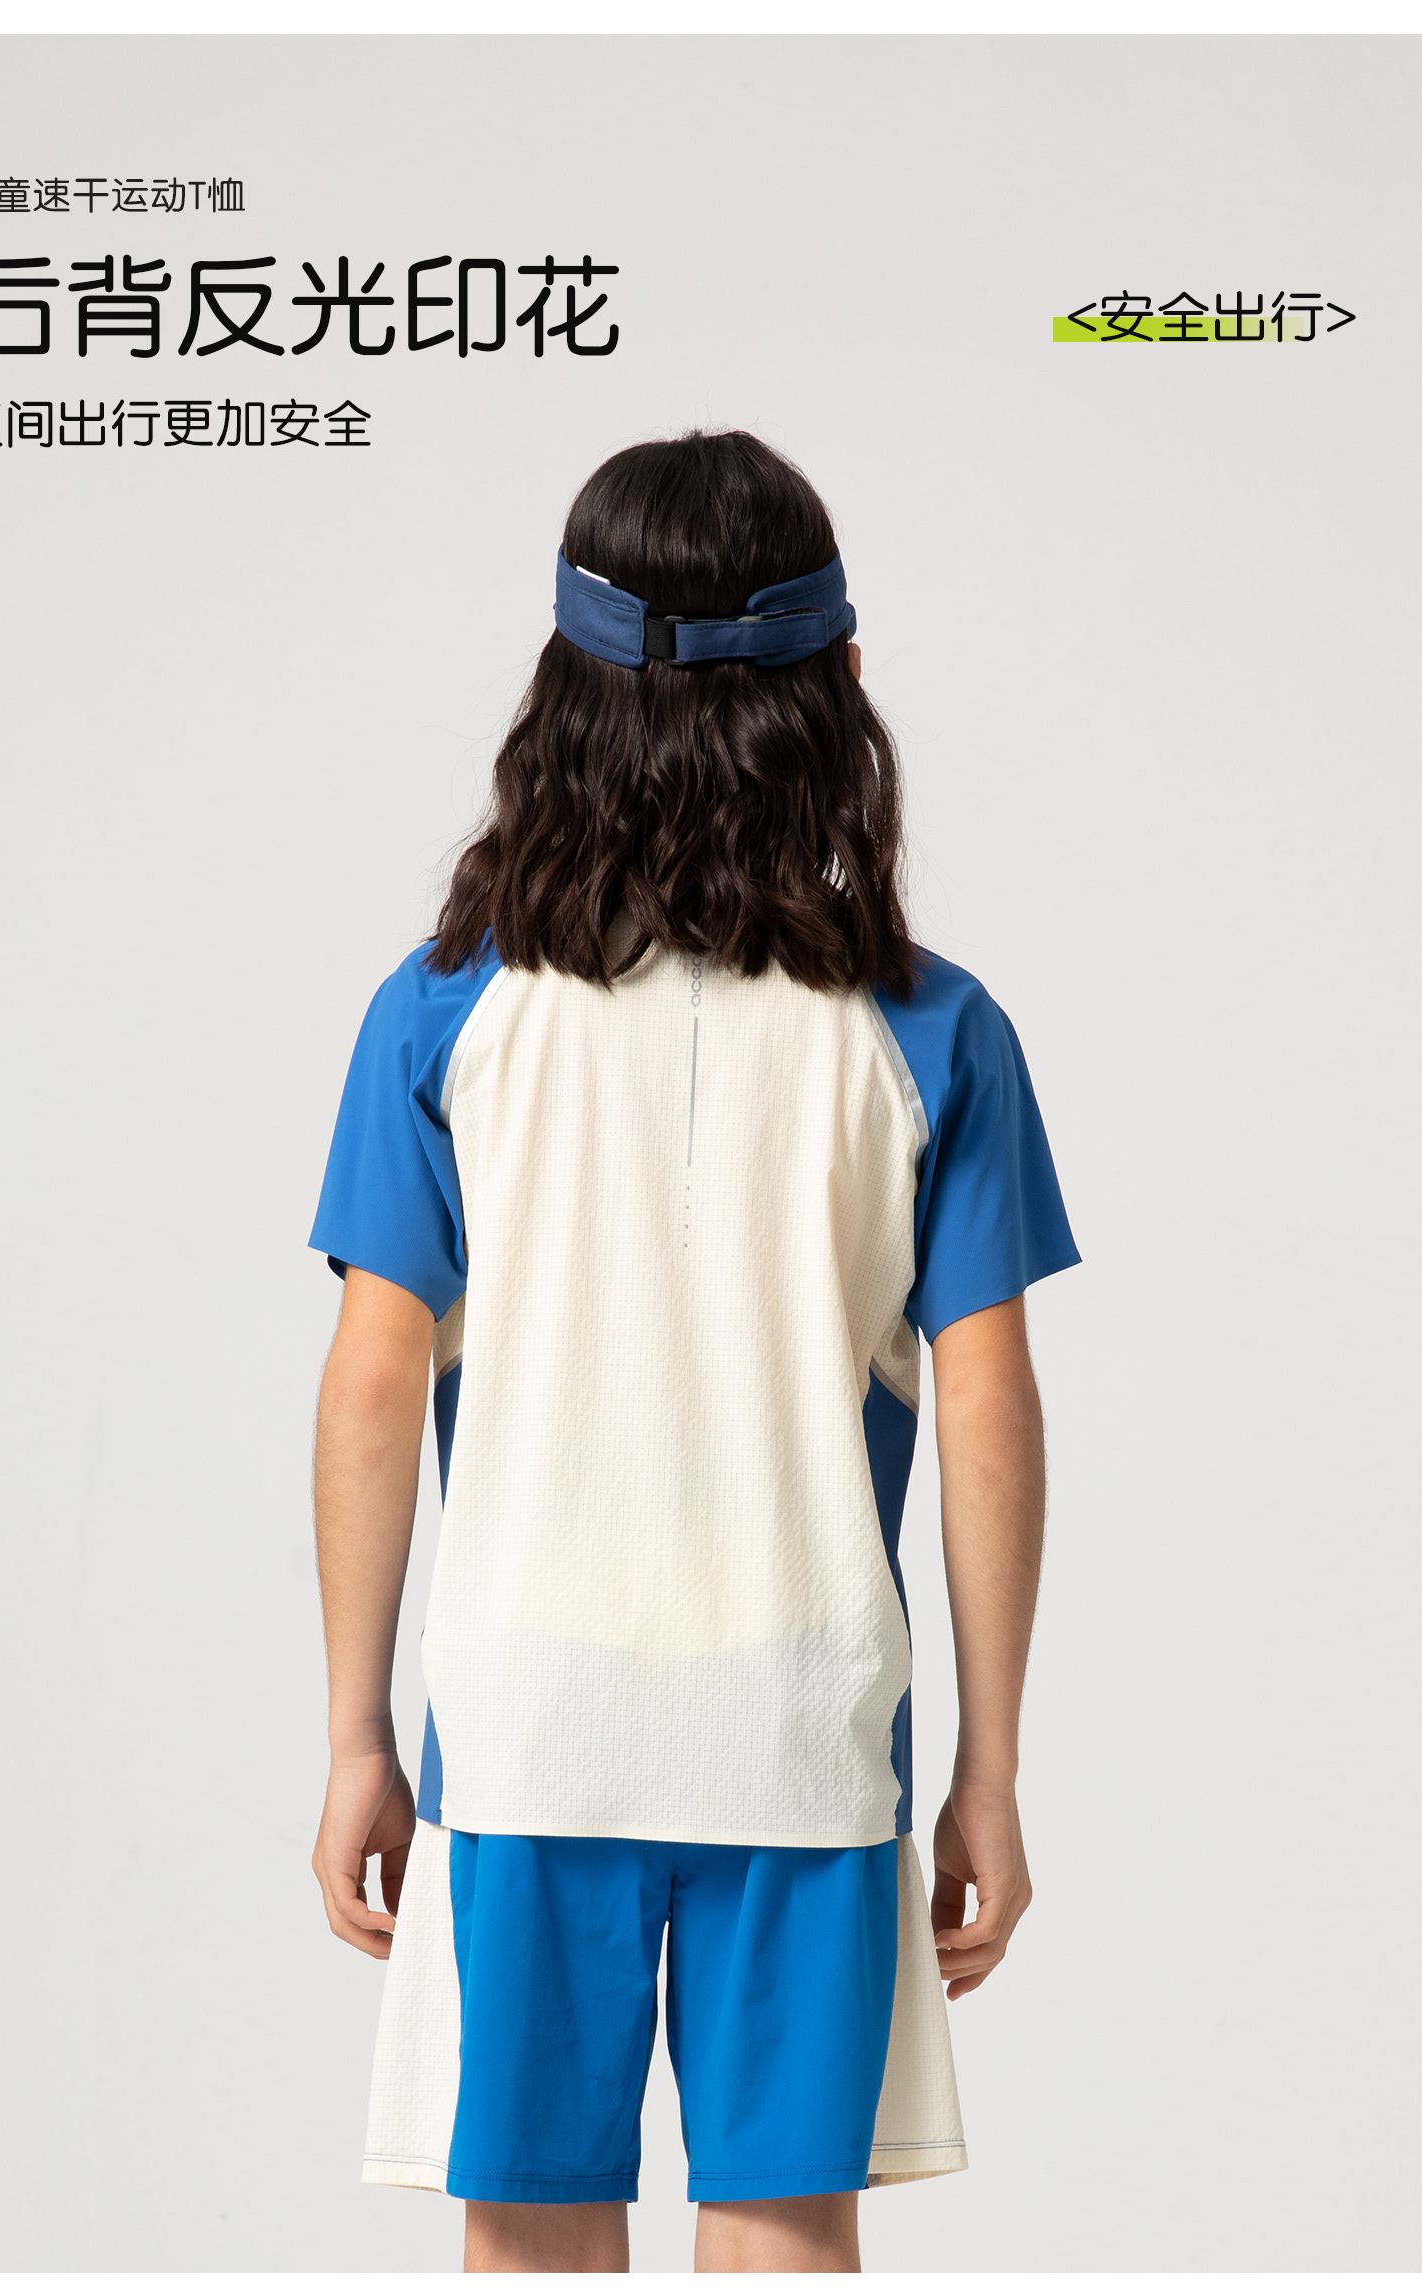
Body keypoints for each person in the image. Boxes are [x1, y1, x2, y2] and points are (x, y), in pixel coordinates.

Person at [307, 429, 1080, 2275]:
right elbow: (987, 1405)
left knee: (531, 2235)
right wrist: (988, 1767)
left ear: (562, 687)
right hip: (805, 1726)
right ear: (844, 683)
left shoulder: (444, 1015)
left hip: (527, 1728)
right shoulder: (933, 1035)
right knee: (788, 2230)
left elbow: (371, 1382)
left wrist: (354, 1736)